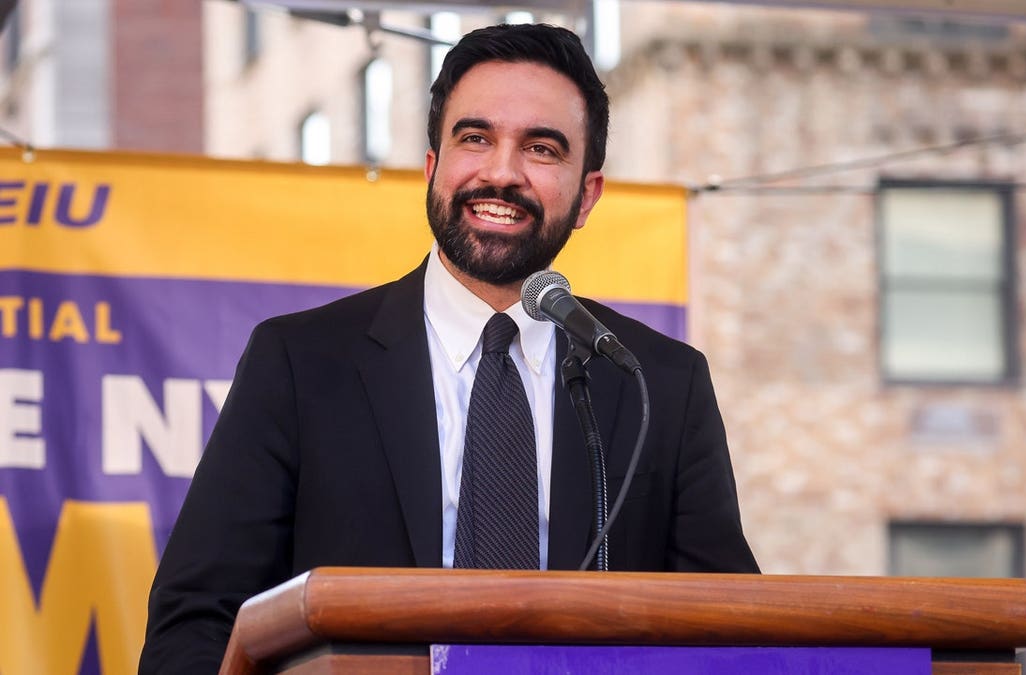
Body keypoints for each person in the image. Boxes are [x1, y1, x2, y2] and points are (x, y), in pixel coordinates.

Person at [139, 23, 758, 674]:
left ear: (587, 195)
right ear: (433, 168)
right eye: (475, 138)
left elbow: (733, 634)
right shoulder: (299, 363)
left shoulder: (659, 384)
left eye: (541, 149)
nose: (501, 172)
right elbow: (196, 622)